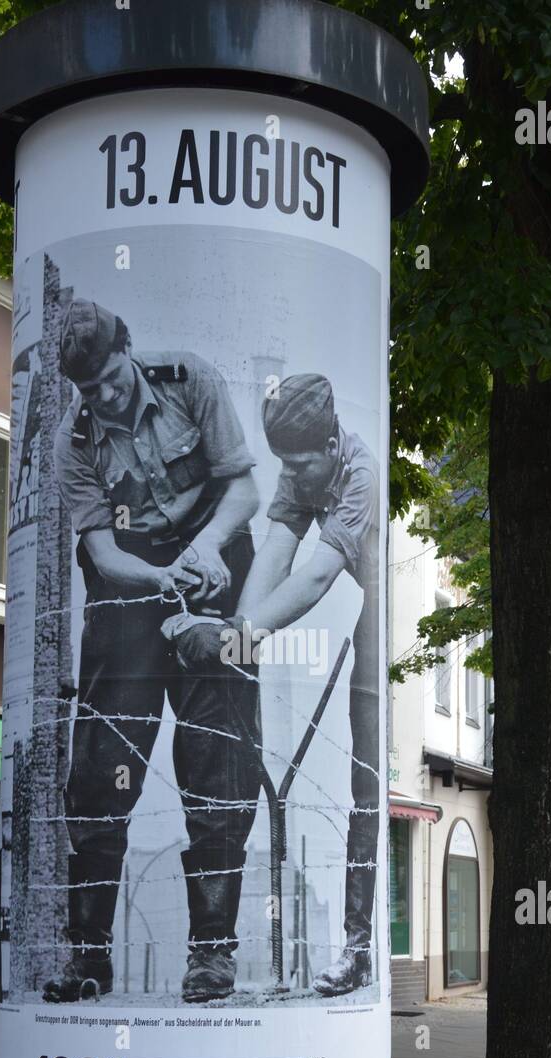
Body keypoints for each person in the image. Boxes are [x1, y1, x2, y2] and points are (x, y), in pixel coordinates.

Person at [44, 299, 260, 1004]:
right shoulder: (74, 442)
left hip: (215, 558)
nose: (103, 397)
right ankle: (88, 959)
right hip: (129, 583)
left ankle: (212, 957)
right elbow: (102, 553)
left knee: (219, 759)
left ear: (127, 350)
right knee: (100, 767)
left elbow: (243, 490)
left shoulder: (189, 379)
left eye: (110, 378)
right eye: (89, 390)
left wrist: (203, 551)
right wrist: (162, 578)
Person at [176, 374, 381, 996]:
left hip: (386, 608)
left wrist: (239, 635)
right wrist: (237, 634)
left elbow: (318, 577)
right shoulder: (302, 469)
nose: (295, 472)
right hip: (357, 593)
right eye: (285, 463)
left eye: (302, 461)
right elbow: (276, 553)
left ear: (330, 439)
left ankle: (359, 948)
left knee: (365, 777)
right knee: (353, 783)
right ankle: (350, 949)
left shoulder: (361, 475)